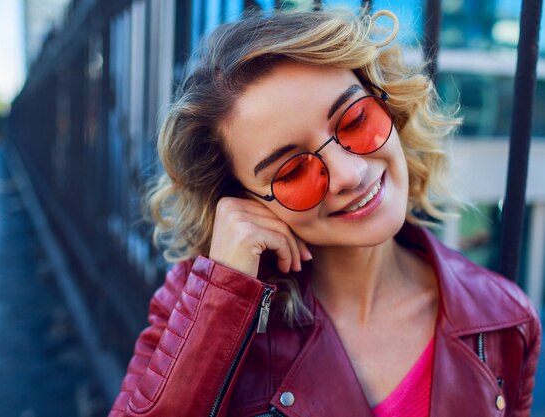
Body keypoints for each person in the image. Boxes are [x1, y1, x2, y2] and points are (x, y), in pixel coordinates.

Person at [108, 7, 541, 417]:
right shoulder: (201, 305)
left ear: (386, 102)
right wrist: (221, 298)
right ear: (243, 199)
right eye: (292, 169)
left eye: (354, 121)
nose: (349, 174)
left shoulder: (502, 319)